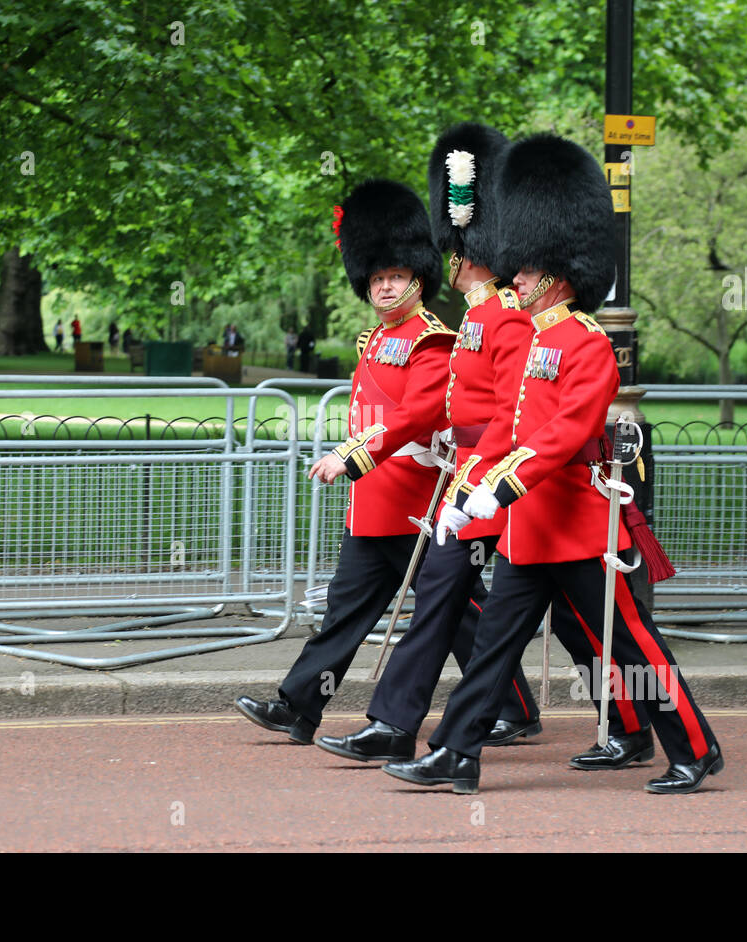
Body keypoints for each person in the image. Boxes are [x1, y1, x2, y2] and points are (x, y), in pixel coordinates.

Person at [383, 134, 721, 795]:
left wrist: (501, 488)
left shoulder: (587, 345)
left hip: (577, 528)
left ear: (560, 277)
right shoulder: (534, 338)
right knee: (492, 650)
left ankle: (695, 747)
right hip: (525, 529)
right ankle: (457, 752)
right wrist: (470, 489)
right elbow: (510, 425)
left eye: (530, 274)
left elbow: (563, 436)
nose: (519, 281)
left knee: (632, 647)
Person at [237, 179, 514, 748]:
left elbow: (414, 417)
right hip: (374, 500)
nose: (385, 287)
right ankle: (299, 707)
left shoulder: (431, 340)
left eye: (395, 277)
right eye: (378, 278)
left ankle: (506, 704)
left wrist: (351, 455)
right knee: (353, 610)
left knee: (456, 611)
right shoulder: (375, 339)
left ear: (418, 279)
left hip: (413, 498)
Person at [317, 124, 553, 763]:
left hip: (494, 485)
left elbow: (513, 408)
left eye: (458, 247)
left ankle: (636, 722)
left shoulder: (502, 317)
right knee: (447, 610)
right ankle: (412, 730)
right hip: (463, 482)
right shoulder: (478, 316)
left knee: (576, 622)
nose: (451, 258)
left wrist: (477, 472)